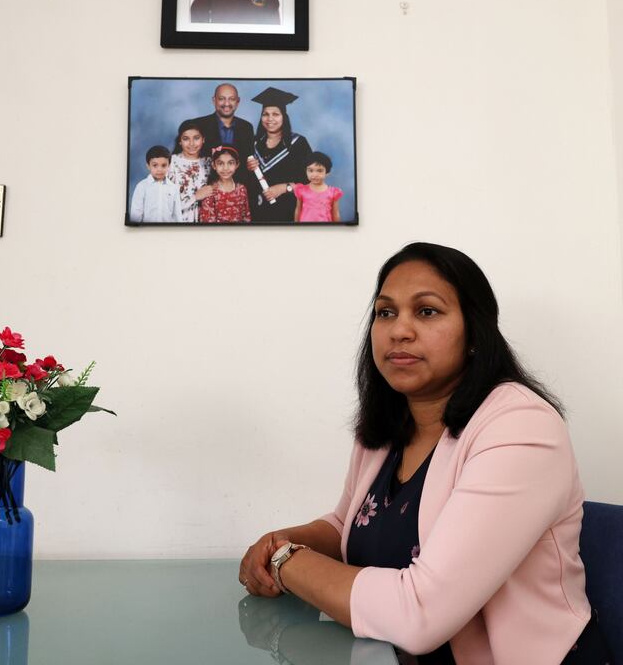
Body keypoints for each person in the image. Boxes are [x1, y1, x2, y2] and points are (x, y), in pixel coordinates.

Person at [239, 243, 612, 663]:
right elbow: (349, 524)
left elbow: (419, 615)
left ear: (475, 334)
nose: (399, 330)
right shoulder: (389, 423)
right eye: (385, 312)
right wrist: (282, 542)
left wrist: (286, 561)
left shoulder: (521, 426)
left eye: (427, 311)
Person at [246, 87, 313, 223]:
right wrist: (246, 168)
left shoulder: (298, 143)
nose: (270, 119)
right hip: (256, 212)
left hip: (289, 212)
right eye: (265, 114)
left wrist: (284, 188)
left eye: (275, 114)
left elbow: (311, 182)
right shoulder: (252, 143)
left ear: (284, 117)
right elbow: (243, 181)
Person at [185, 83, 255, 161]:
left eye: (232, 99)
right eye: (221, 99)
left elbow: (249, 159)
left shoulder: (247, 128)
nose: (227, 103)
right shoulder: (197, 125)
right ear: (214, 100)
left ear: (237, 101)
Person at [167, 120, 212, 223]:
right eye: (186, 139)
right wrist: (195, 197)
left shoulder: (210, 163)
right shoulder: (170, 163)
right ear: (180, 141)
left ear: (203, 139)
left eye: (196, 138)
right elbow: (163, 202)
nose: (191, 143)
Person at [129, 145, 182, 223]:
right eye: (155, 165)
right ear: (148, 166)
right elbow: (136, 213)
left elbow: (177, 215)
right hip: (147, 229)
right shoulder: (142, 187)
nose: (159, 169)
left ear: (169, 166)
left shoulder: (173, 188)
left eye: (163, 165)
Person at [199, 146, 251, 223]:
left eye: (230, 163)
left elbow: (246, 217)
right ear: (214, 165)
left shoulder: (242, 189)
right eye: (220, 163)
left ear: (237, 165)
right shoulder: (210, 192)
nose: (225, 168)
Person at [293, 151, 343, 223]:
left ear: (327, 173)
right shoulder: (301, 190)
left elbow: (336, 214)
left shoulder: (333, 193)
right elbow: (298, 210)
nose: (315, 175)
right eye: (310, 170)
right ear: (306, 171)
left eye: (319, 171)